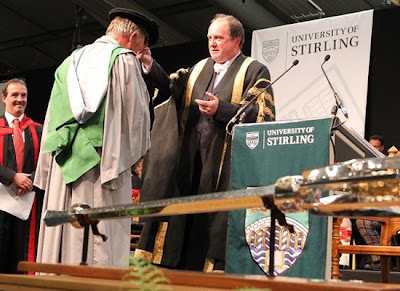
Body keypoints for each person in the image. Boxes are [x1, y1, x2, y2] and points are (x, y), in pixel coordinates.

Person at [135, 14, 275, 272]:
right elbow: (169, 88)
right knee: (181, 218)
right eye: (210, 38)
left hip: (223, 162)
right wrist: (149, 64)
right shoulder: (198, 68)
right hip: (188, 159)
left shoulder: (254, 70)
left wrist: (221, 108)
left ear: (237, 40)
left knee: (212, 222)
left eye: (219, 38)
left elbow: (261, 113)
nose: (212, 43)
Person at [34, 8, 158, 268]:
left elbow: (50, 121)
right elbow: (137, 120)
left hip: (64, 166)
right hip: (102, 165)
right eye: (142, 45)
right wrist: (134, 158)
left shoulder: (70, 61)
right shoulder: (123, 60)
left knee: (64, 230)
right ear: (133, 37)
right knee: (100, 239)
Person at [0, 78, 43, 273]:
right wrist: (12, 176)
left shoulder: (38, 130)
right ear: (4, 98)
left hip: (27, 202)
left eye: (23, 95)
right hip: (0, 201)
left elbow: (47, 163)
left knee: (23, 254)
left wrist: (29, 180)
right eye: (14, 95)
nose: (19, 99)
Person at [356, 134, 385, 271]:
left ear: (382, 148)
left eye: (376, 147)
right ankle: (374, 259)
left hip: (389, 212)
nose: (372, 150)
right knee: (354, 220)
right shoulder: (364, 168)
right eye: (370, 147)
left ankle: (378, 259)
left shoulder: (390, 165)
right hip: (370, 210)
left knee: (363, 222)